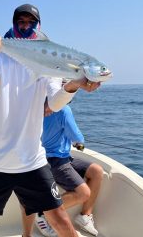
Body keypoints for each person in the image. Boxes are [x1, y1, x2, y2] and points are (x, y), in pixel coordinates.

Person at [0, 4, 101, 237]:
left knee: (62, 221)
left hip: (31, 161)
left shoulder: (47, 64)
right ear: (13, 26)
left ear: (38, 27)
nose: (25, 26)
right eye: (20, 22)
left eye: (30, 22)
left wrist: (74, 85)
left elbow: (54, 103)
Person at [37, 101, 103, 236]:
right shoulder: (63, 109)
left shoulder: (38, 105)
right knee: (84, 193)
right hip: (55, 161)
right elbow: (77, 137)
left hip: (64, 157)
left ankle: (85, 216)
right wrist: (79, 143)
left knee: (96, 171)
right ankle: (44, 214)